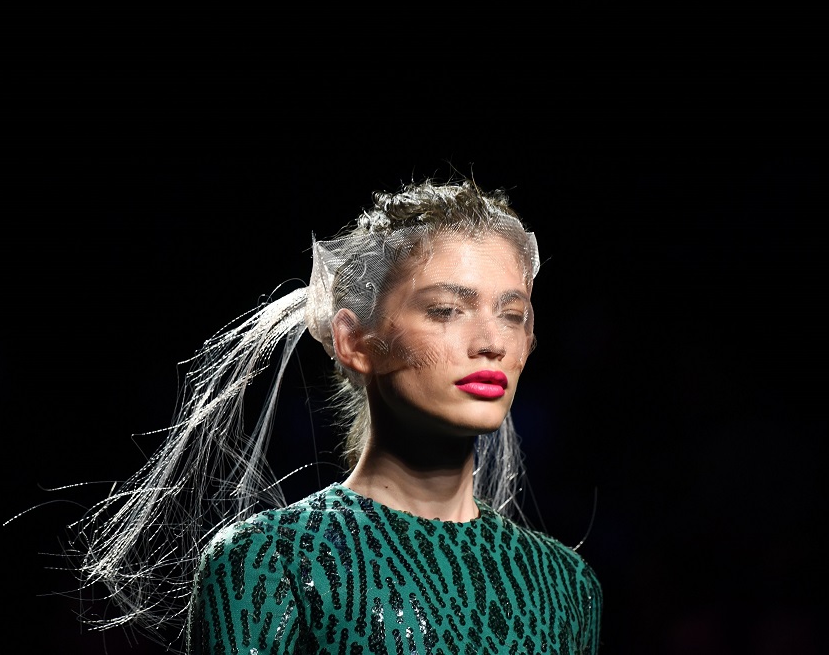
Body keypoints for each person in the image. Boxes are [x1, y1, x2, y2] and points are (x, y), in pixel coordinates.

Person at [62, 176, 603, 654]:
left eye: (512, 315)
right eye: (445, 311)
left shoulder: (567, 585)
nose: (491, 342)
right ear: (354, 341)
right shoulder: (270, 563)